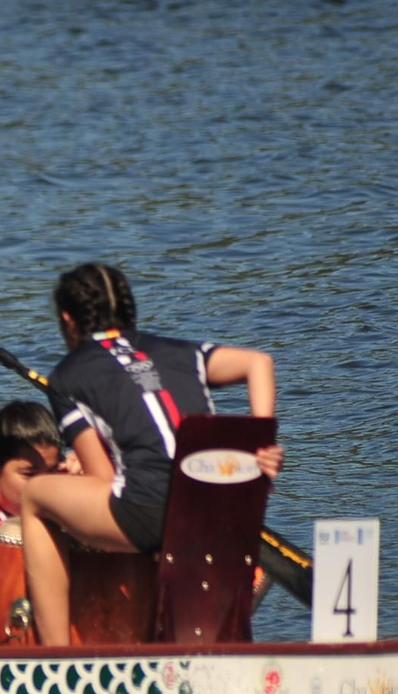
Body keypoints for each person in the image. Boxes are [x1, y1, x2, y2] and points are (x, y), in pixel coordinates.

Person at [15, 263, 283, 645]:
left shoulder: (65, 377)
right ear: (129, 309)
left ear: (67, 320)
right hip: (223, 500)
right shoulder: (180, 351)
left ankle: (57, 657)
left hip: (150, 515)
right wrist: (262, 446)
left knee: (34, 497)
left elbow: (102, 479)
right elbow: (260, 363)